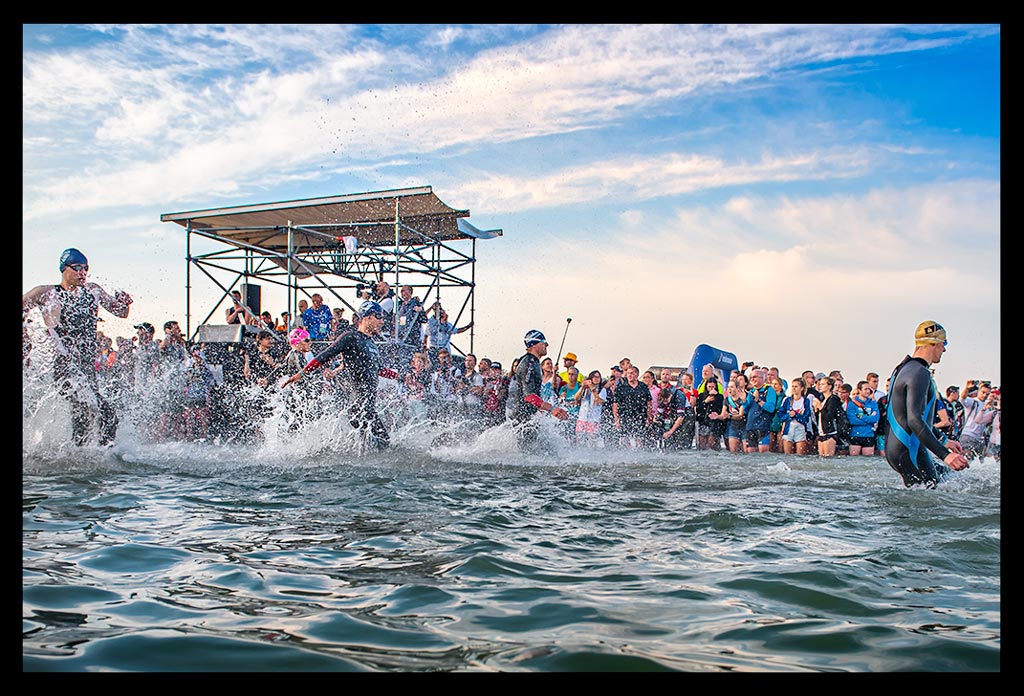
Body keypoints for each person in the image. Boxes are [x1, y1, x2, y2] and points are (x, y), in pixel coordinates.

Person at [22, 248, 133, 446]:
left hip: (86, 365)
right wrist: (26, 336)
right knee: (89, 409)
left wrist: (125, 304)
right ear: (64, 269)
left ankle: (90, 454)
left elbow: (121, 312)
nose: (83, 272)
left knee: (97, 415)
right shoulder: (46, 293)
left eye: (86, 268)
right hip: (64, 365)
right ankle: (83, 455)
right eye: (78, 268)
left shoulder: (93, 290)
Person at [281, 300, 396, 450]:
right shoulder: (351, 337)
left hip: (367, 406)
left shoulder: (372, 344)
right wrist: (301, 374)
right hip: (358, 405)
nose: (382, 321)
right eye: (379, 317)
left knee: (372, 448)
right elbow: (326, 354)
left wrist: (399, 377)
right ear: (367, 317)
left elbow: (379, 370)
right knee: (383, 444)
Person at [883, 321, 969, 487]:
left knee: (950, 479)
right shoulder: (920, 373)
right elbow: (914, 420)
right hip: (909, 449)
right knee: (929, 503)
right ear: (934, 343)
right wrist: (946, 455)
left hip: (900, 449)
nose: (944, 349)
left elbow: (907, 416)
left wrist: (943, 440)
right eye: (944, 344)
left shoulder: (903, 368)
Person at [509, 330, 569, 450]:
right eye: (544, 342)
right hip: (524, 419)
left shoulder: (534, 362)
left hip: (531, 417)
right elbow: (529, 396)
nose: (547, 345)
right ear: (533, 345)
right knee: (529, 455)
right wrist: (552, 409)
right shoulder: (528, 363)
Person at [612, 365, 653, 448]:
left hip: (640, 416)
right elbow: (615, 404)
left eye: (631, 373)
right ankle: (627, 457)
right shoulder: (621, 387)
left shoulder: (643, 386)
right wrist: (616, 419)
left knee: (639, 439)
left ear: (637, 374)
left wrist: (649, 417)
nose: (629, 375)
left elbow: (649, 402)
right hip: (625, 416)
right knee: (624, 439)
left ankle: (638, 456)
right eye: (628, 374)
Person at [743, 368, 778, 454]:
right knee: (750, 452)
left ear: (762, 378)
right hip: (751, 426)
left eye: (755, 377)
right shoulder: (751, 391)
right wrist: (743, 401)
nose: (752, 379)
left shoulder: (769, 390)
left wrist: (758, 400)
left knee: (763, 451)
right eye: (751, 377)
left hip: (763, 426)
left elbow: (771, 408)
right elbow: (746, 410)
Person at [779, 377, 814, 455]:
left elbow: (806, 418)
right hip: (788, 428)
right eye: (792, 386)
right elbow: (780, 415)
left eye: (796, 387)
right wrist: (789, 415)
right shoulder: (787, 400)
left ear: (801, 388)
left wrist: (796, 415)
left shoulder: (805, 401)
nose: (793, 389)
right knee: (787, 455)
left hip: (800, 428)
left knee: (800, 455)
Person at [811, 376, 843, 457]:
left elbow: (829, 416)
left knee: (828, 458)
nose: (820, 386)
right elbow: (818, 417)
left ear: (829, 386)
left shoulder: (833, 399)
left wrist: (820, 407)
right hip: (821, 432)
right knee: (821, 459)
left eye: (823, 384)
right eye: (820, 384)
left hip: (830, 432)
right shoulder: (823, 399)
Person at [574, 369, 607, 447]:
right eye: (594, 376)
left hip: (594, 420)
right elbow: (576, 398)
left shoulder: (602, 390)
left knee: (592, 442)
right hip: (582, 418)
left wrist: (593, 389)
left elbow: (598, 401)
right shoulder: (585, 389)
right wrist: (582, 387)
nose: (596, 378)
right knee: (579, 441)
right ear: (590, 378)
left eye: (598, 377)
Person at [846, 380, 880, 456]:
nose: (868, 391)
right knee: (854, 459)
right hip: (855, 434)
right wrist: (868, 420)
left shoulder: (873, 403)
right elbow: (852, 420)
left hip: (869, 434)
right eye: (865, 389)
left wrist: (861, 416)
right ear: (859, 390)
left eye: (869, 389)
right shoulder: (852, 404)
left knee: (868, 460)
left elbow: (875, 419)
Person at [695, 376, 725, 449]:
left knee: (712, 443)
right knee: (702, 445)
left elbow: (720, 408)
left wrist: (716, 396)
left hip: (715, 423)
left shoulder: (720, 397)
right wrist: (706, 401)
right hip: (703, 421)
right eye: (709, 387)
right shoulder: (701, 396)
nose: (711, 388)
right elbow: (698, 408)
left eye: (713, 387)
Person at [721, 378, 746, 452]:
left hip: (744, 426)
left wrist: (729, 416)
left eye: (731, 387)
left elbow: (741, 415)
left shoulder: (743, 399)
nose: (729, 389)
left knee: (746, 450)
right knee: (733, 451)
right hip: (733, 427)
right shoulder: (727, 399)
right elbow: (723, 414)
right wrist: (717, 416)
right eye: (728, 387)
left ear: (737, 388)